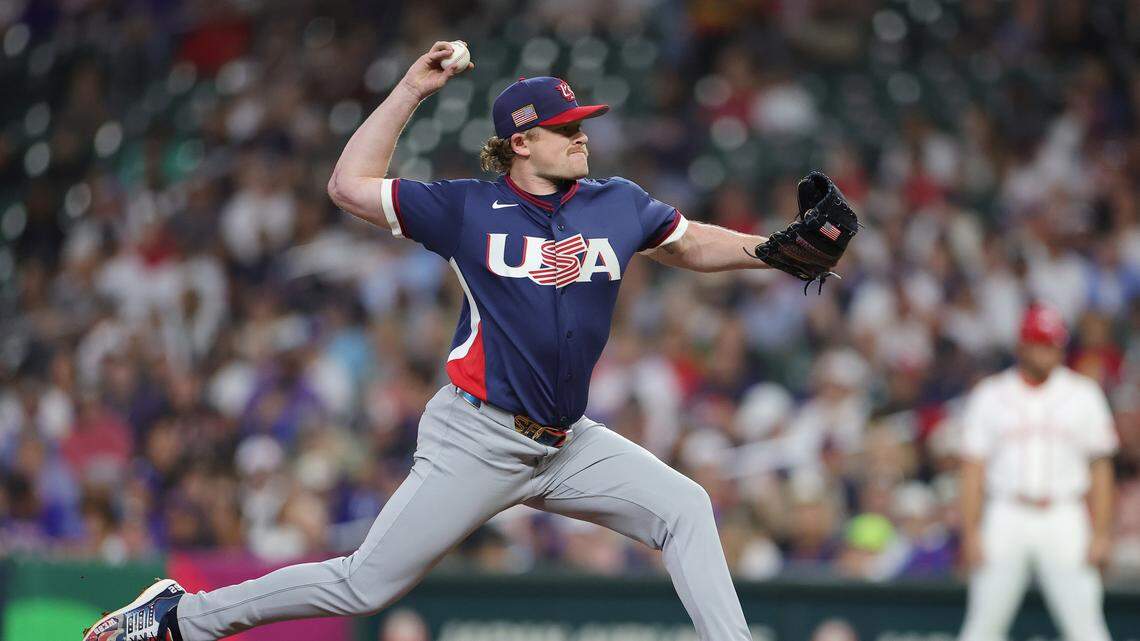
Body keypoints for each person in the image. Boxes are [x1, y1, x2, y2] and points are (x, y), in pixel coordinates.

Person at [83, 40, 813, 641]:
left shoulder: (616, 203)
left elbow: (685, 244)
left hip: (569, 440)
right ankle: (183, 616)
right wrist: (409, 89)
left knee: (684, 506)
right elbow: (346, 185)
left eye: (581, 122)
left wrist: (772, 250)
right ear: (522, 141)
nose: (582, 133)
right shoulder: (468, 208)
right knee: (362, 583)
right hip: (479, 436)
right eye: (566, 127)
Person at [957, 304, 1117, 641]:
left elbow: (1101, 468)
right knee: (982, 629)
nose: (1047, 351)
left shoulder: (1083, 394)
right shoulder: (990, 395)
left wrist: (1101, 532)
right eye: (1040, 342)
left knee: (1087, 628)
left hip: (1064, 514)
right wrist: (970, 531)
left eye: (1053, 343)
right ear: (1022, 345)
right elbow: (973, 470)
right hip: (1006, 513)